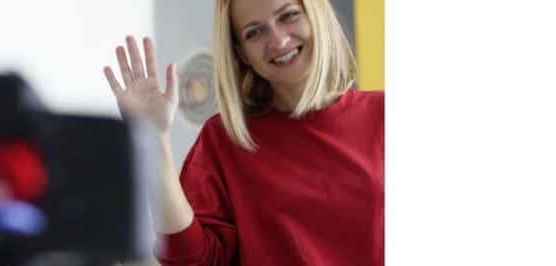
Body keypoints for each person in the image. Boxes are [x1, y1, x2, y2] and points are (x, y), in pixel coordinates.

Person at [102, 0, 383, 264]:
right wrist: (155, 138)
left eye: (288, 15)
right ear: (242, 54)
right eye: (254, 33)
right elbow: (191, 260)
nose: (279, 40)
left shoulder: (384, 113)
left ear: (315, 15)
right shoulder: (225, 139)